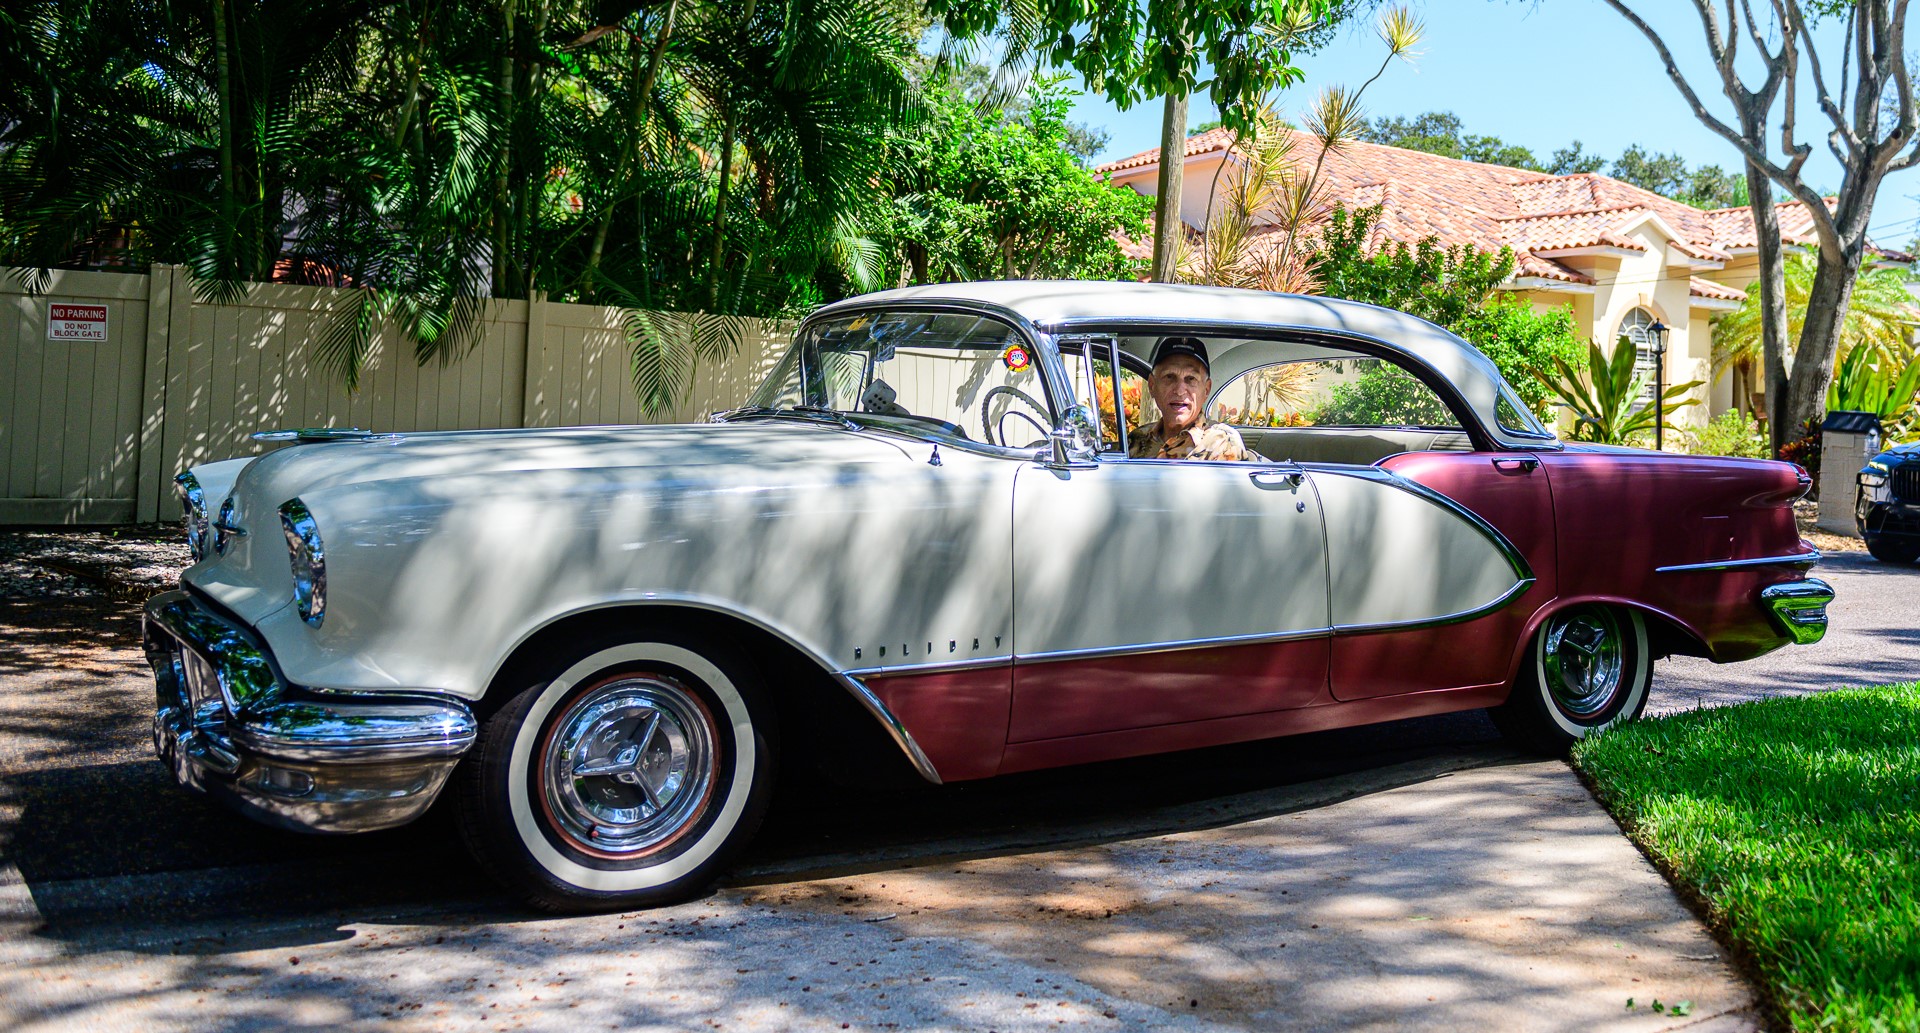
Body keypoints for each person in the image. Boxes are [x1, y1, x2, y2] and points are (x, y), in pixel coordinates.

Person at [1127, 337, 1256, 461]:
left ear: (1206, 389)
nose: (1179, 390)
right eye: (1169, 377)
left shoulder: (1221, 442)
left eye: (1191, 379)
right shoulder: (1138, 438)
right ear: (1152, 385)